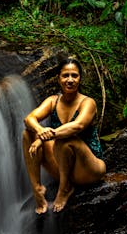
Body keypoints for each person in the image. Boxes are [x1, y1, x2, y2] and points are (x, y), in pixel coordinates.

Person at [22, 57, 106, 214]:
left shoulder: (88, 103)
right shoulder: (53, 101)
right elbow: (29, 119)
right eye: (65, 75)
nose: (70, 80)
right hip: (62, 166)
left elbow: (77, 126)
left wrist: (44, 138)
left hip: (88, 168)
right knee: (28, 134)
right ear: (58, 78)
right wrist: (40, 132)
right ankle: (37, 189)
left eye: (74, 75)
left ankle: (65, 189)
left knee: (65, 140)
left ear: (80, 78)